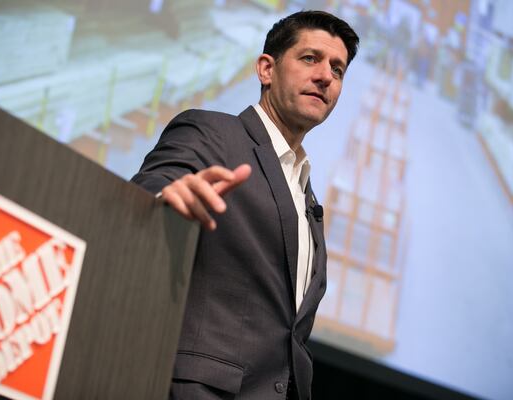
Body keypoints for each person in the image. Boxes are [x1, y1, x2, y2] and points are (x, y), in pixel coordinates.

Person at [132, 10, 359, 400]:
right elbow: (157, 184)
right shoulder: (214, 133)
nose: (325, 76)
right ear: (266, 69)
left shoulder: (307, 197)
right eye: (310, 59)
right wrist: (166, 194)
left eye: (337, 70)